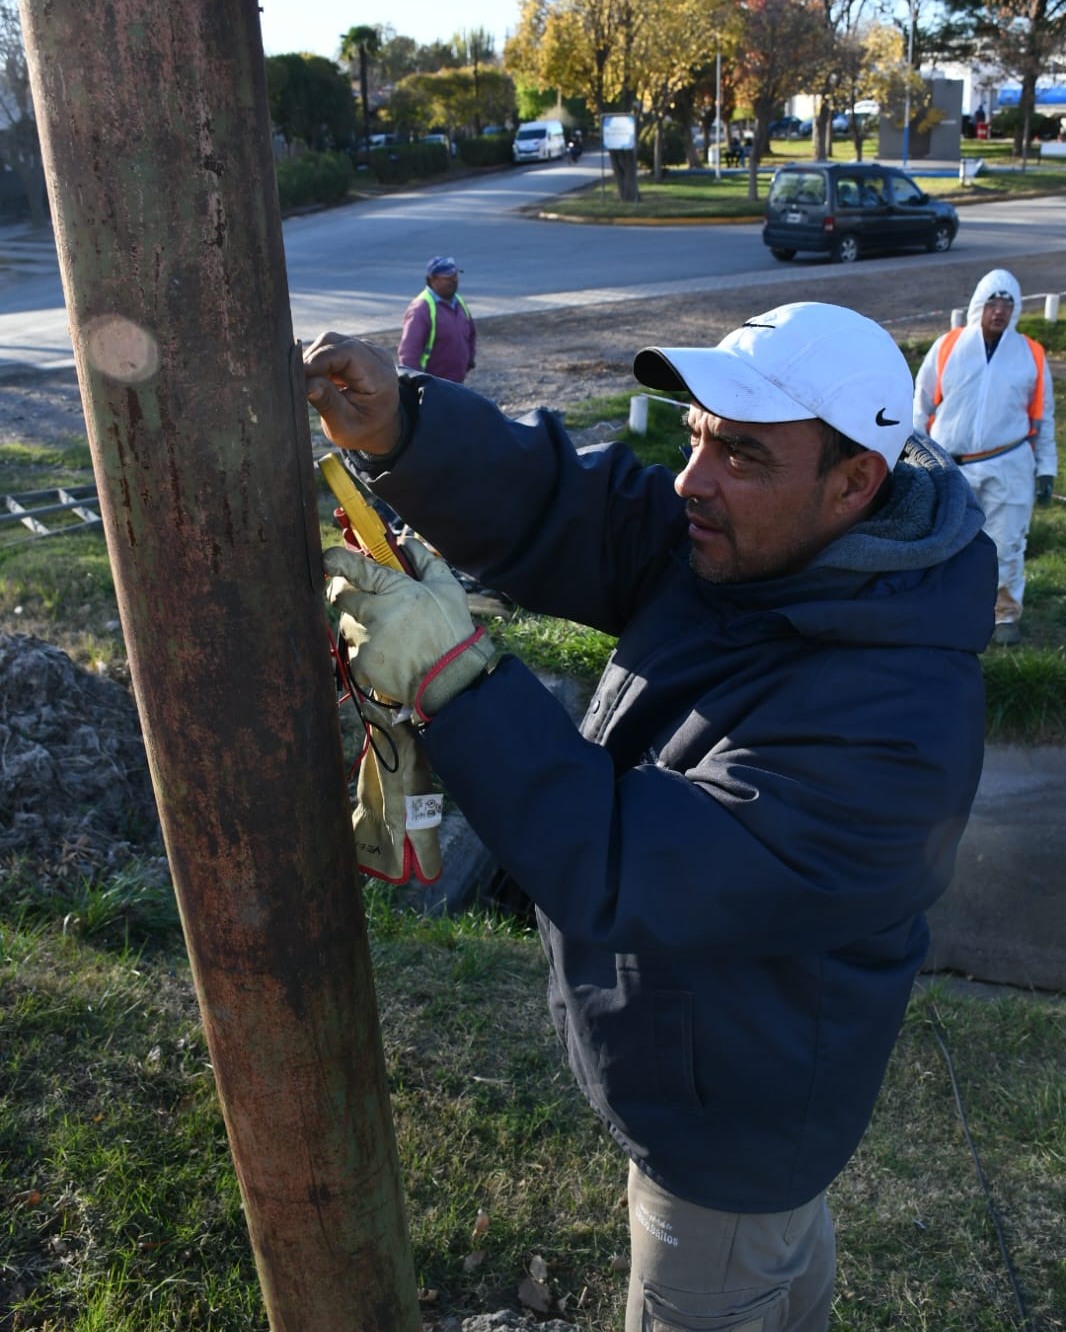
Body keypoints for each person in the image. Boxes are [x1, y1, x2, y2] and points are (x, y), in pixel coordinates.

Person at [305, 301, 995, 1332]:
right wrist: (405, 428)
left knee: (731, 1275)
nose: (691, 481)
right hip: (737, 1087)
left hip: (730, 1138)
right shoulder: (772, 554)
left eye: (744, 456)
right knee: (780, 1281)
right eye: (697, 437)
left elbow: (628, 865)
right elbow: (576, 511)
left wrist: (454, 680)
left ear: (857, 482)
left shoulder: (894, 726)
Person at [914, 268, 1057, 646]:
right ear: (979, 304)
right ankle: (947, 608)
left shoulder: (1031, 355)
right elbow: (920, 402)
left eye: (1007, 304)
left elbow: (1044, 417)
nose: (999, 311)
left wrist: (1047, 469)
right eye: (993, 302)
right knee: (945, 540)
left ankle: (1004, 613)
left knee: (1006, 542)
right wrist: (914, 455)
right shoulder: (947, 346)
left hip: (1009, 463)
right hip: (949, 466)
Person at [396, 255, 476, 384]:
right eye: (447, 278)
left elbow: (471, 334)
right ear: (431, 280)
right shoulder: (421, 309)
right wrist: (416, 385)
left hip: (456, 383)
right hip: (432, 387)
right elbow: (409, 354)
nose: (453, 281)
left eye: (455, 276)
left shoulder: (458, 302)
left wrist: (469, 360)